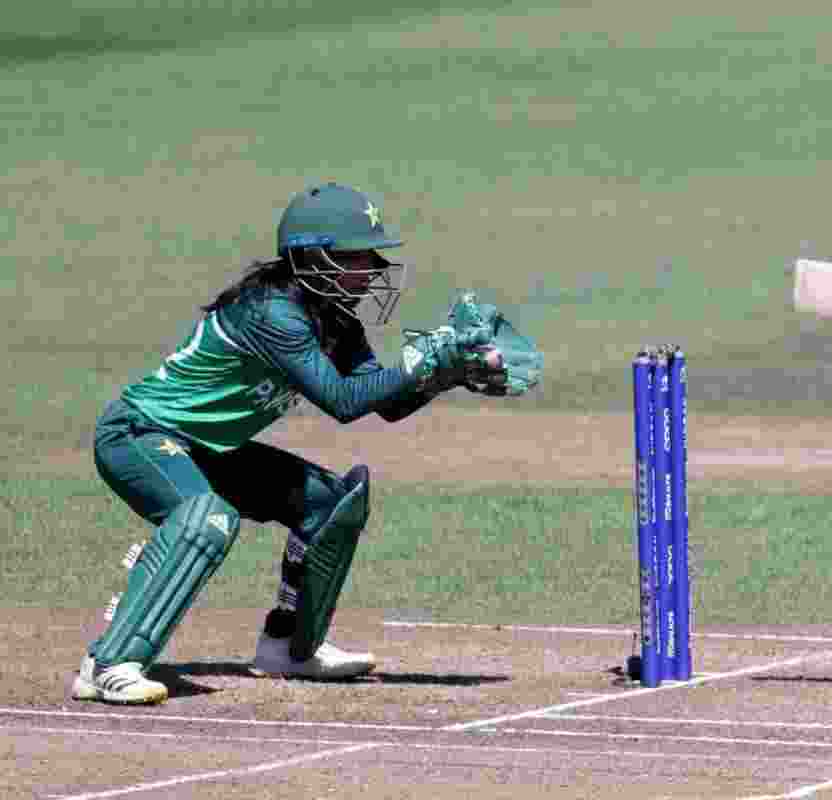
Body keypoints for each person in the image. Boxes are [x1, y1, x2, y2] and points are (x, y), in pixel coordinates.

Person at [71, 182, 543, 705]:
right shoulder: (270, 312)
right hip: (139, 434)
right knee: (206, 517)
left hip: (208, 447)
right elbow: (342, 401)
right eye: (356, 256)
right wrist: (422, 359)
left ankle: (289, 647)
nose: (371, 269)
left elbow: (384, 403)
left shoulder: (335, 320)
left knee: (325, 503)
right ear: (311, 257)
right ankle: (109, 664)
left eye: (372, 256)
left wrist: (447, 373)